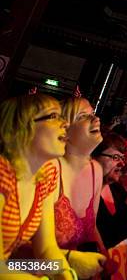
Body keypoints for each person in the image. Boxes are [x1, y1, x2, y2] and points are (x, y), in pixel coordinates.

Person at [0, 93, 76, 279]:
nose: (65, 123)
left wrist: (63, 271)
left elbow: (46, 248)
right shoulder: (2, 174)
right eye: (53, 116)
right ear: (22, 127)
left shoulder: (45, 177)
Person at [53, 97, 107, 278]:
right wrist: (66, 263)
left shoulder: (95, 170)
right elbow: (9, 263)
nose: (96, 119)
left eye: (93, 113)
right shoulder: (50, 170)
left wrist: (104, 257)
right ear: (65, 129)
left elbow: (91, 228)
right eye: (84, 116)